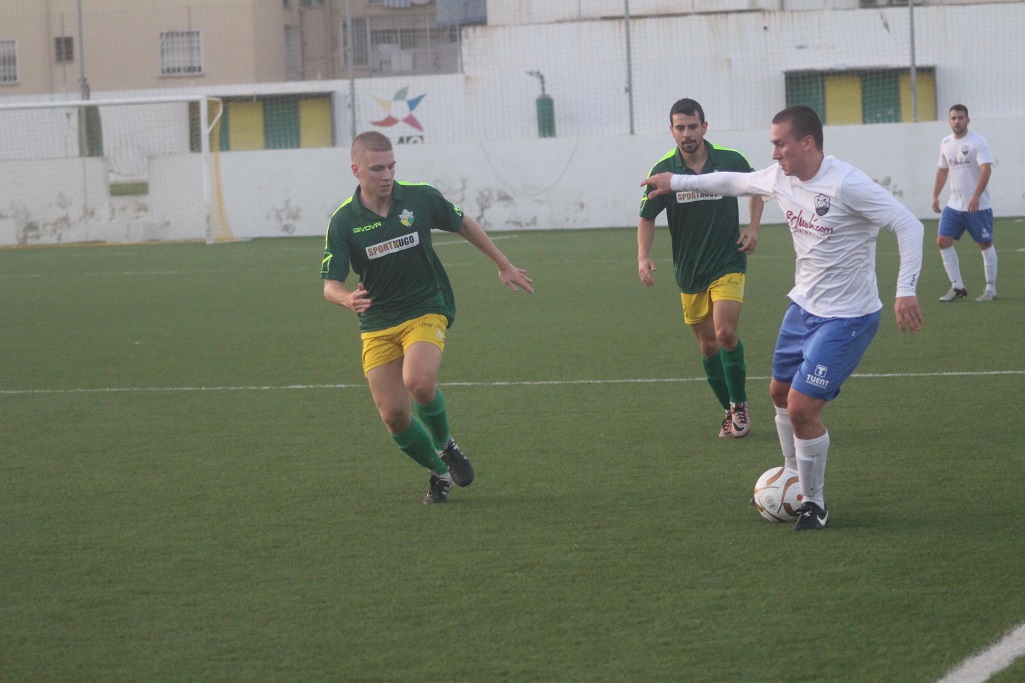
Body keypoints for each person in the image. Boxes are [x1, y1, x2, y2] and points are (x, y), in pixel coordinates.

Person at [642, 105, 924, 531]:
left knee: (801, 410)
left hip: (847, 317)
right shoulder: (780, 178)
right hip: (803, 307)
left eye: (780, 144)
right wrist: (675, 181)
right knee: (778, 392)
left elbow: (908, 225)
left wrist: (905, 289)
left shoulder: (847, 183)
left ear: (807, 143)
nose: (774, 154)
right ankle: (793, 472)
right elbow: (732, 182)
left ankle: (815, 504)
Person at [321, 131, 534, 505]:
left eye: (391, 166)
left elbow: (462, 222)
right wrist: (347, 299)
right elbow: (330, 285)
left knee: (418, 382)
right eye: (377, 168)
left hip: (425, 307)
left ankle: (446, 444)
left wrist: (503, 263)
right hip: (377, 323)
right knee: (394, 416)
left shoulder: (420, 198)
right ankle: (439, 472)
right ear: (356, 170)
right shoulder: (344, 221)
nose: (387, 175)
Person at [637, 98, 764, 439]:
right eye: (680, 128)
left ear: (704, 127)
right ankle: (728, 409)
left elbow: (757, 188)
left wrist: (753, 226)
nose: (687, 134)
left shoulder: (730, 160)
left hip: (728, 260)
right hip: (690, 269)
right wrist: (642, 256)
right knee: (708, 347)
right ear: (671, 130)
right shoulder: (664, 170)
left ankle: (740, 405)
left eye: (693, 126)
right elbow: (647, 216)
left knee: (725, 333)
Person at [931, 104, 997, 302]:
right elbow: (942, 170)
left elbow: (986, 169)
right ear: (949, 121)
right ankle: (957, 287)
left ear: (968, 120)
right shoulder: (946, 143)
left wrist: (976, 196)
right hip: (954, 205)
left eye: (960, 118)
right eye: (953, 118)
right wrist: (935, 195)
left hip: (978, 206)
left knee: (985, 244)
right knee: (942, 241)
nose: (957, 121)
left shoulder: (977, 142)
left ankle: (991, 289)